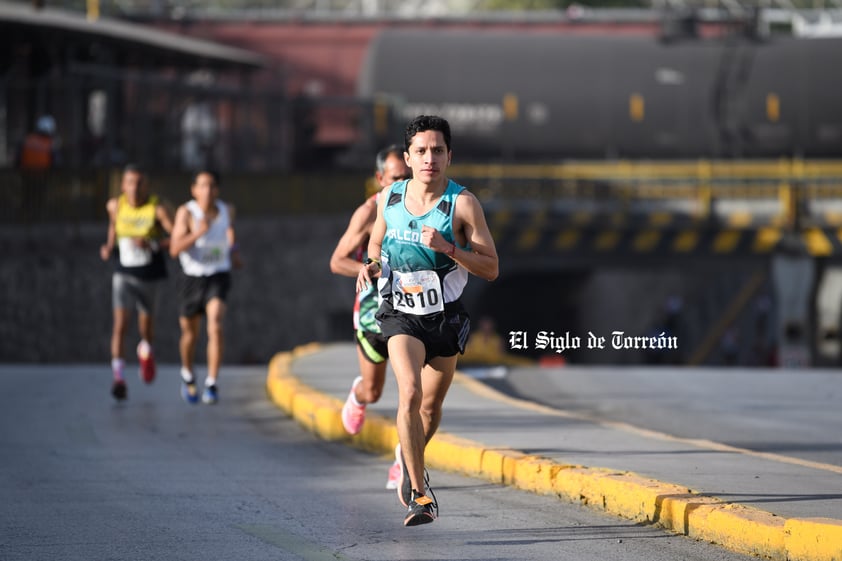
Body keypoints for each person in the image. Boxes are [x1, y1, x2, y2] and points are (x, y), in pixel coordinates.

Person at [356, 115, 499, 526]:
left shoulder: (463, 204)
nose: (429, 158)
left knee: (430, 408)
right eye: (420, 151)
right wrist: (370, 264)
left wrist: (450, 248)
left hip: (444, 319)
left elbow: (491, 268)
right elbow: (377, 241)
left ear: (449, 156)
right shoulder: (391, 199)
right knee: (410, 393)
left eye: (437, 150)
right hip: (400, 314)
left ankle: (409, 456)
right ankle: (420, 495)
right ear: (408, 157)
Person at [330, 144, 411, 488]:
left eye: (406, 178)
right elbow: (337, 260)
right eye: (395, 179)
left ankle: (403, 463)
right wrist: (370, 269)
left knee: (412, 392)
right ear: (380, 179)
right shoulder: (368, 213)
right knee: (375, 392)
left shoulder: (420, 207)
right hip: (371, 315)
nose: (403, 185)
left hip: (410, 313)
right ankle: (358, 394)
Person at [99, 164, 174, 401]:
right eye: (130, 182)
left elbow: (175, 238)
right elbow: (113, 227)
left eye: (139, 183)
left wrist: (152, 244)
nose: (134, 188)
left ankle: (146, 350)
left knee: (145, 328)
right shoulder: (115, 205)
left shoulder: (157, 209)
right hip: (123, 272)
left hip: (148, 274)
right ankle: (118, 378)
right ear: (123, 185)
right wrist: (108, 246)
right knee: (120, 324)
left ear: (147, 186)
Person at [170, 170, 241, 405]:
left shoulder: (226, 210)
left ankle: (211, 383)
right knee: (190, 334)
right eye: (202, 186)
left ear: (217, 190)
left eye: (211, 186)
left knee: (215, 325)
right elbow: (174, 248)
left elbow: (230, 233)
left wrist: (234, 251)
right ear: (194, 190)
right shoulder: (186, 213)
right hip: (191, 278)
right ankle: (188, 374)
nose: (207, 191)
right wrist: (199, 232)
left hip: (218, 275)